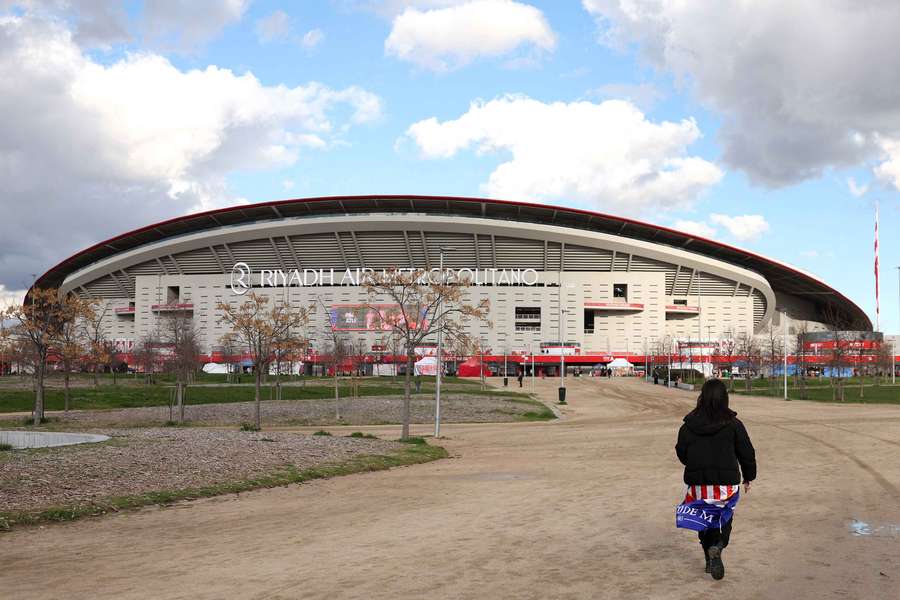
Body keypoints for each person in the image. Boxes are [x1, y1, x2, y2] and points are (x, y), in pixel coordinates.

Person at [675, 379, 756, 581]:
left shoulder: (688, 426)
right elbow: (746, 452)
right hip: (726, 484)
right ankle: (718, 546)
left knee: (704, 521)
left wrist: (693, 463)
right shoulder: (734, 425)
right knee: (724, 518)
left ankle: (708, 558)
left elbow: (682, 452)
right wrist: (749, 476)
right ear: (725, 398)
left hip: (698, 485)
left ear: (701, 396)